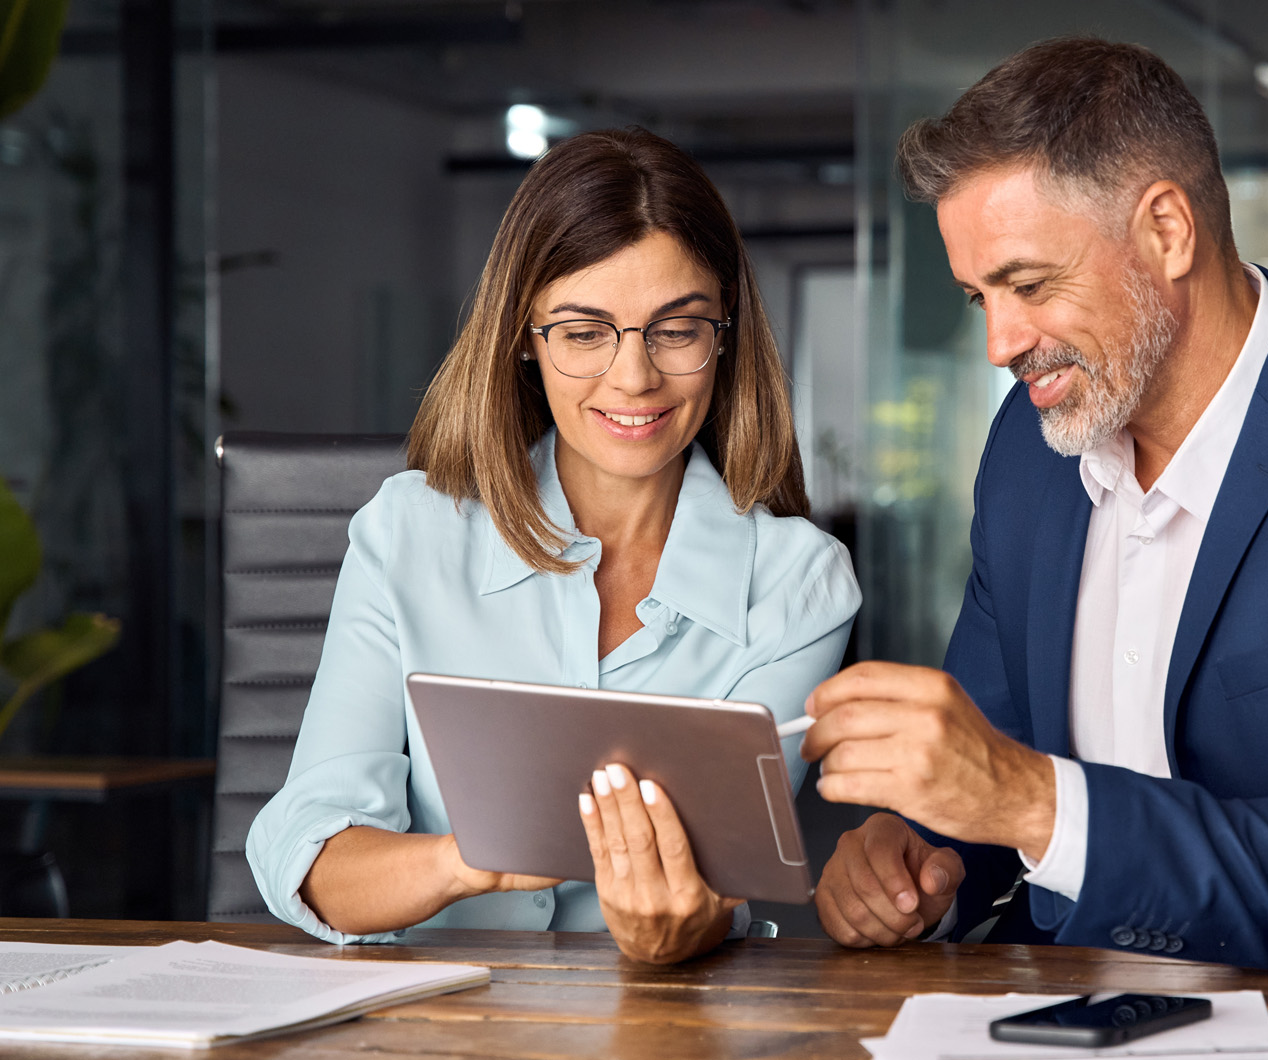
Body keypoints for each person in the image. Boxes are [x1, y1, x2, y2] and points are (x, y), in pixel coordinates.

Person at [802, 38, 1268, 972]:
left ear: (1167, 229)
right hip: (1074, 1006)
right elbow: (994, 764)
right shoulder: (1030, 451)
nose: (1000, 343)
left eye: (1030, 285)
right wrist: (918, 858)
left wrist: (1030, 803)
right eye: (977, 298)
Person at [246, 128, 860, 964]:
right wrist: (474, 858)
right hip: (435, 1032)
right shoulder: (407, 535)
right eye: (584, 332)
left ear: (725, 335)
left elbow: (723, 881)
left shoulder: (799, 583)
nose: (634, 377)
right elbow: (311, 856)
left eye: (676, 330)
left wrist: (682, 924)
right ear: (525, 341)